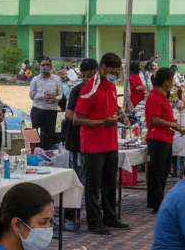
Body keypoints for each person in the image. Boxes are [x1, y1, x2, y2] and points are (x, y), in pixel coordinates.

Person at [73, 53, 129, 236]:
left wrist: (120, 114)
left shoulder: (112, 86)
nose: (115, 74)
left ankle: (110, 217)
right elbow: (77, 119)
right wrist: (102, 122)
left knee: (110, 183)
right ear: (103, 67)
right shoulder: (90, 87)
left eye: (118, 72)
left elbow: (112, 108)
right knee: (93, 186)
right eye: (112, 71)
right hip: (94, 144)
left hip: (111, 142)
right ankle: (94, 222)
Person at [143, 67, 185, 214]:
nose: (173, 83)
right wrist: (173, 125)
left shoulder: (162, 96)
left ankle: (156, 202)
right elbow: (155, 119)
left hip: (165, 137)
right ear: (165, 82)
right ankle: (156, 203)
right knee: (158, 172)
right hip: (157, 138)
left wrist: (176, 126)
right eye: (171, 80)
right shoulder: (154, 96)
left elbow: (164, 118)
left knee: (162, 172)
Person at [62, 57, 98, 231]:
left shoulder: (98, 90)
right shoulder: (78, 90)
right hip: (77, 141)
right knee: (75, 179)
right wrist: (86, 119)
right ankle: (71, 215)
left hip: (92, 142)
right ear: (83, 74)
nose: (95, 76)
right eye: (92, 72)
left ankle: (85, 214)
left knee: (88, 180)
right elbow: (69, 114)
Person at [29, 56, 63, 150]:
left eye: (47, 65)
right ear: (40, 66)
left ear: (51, 66)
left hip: (51, 111)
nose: (45, 67)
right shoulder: (35, 79)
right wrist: (41, 97)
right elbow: (31, 95)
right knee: (34, 132)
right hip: (37, 109)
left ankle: (47, 151)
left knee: (49, 133)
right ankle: (34, 151)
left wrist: (52, 98)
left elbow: (60, 95)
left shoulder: (56, 79)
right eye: (43, 65)